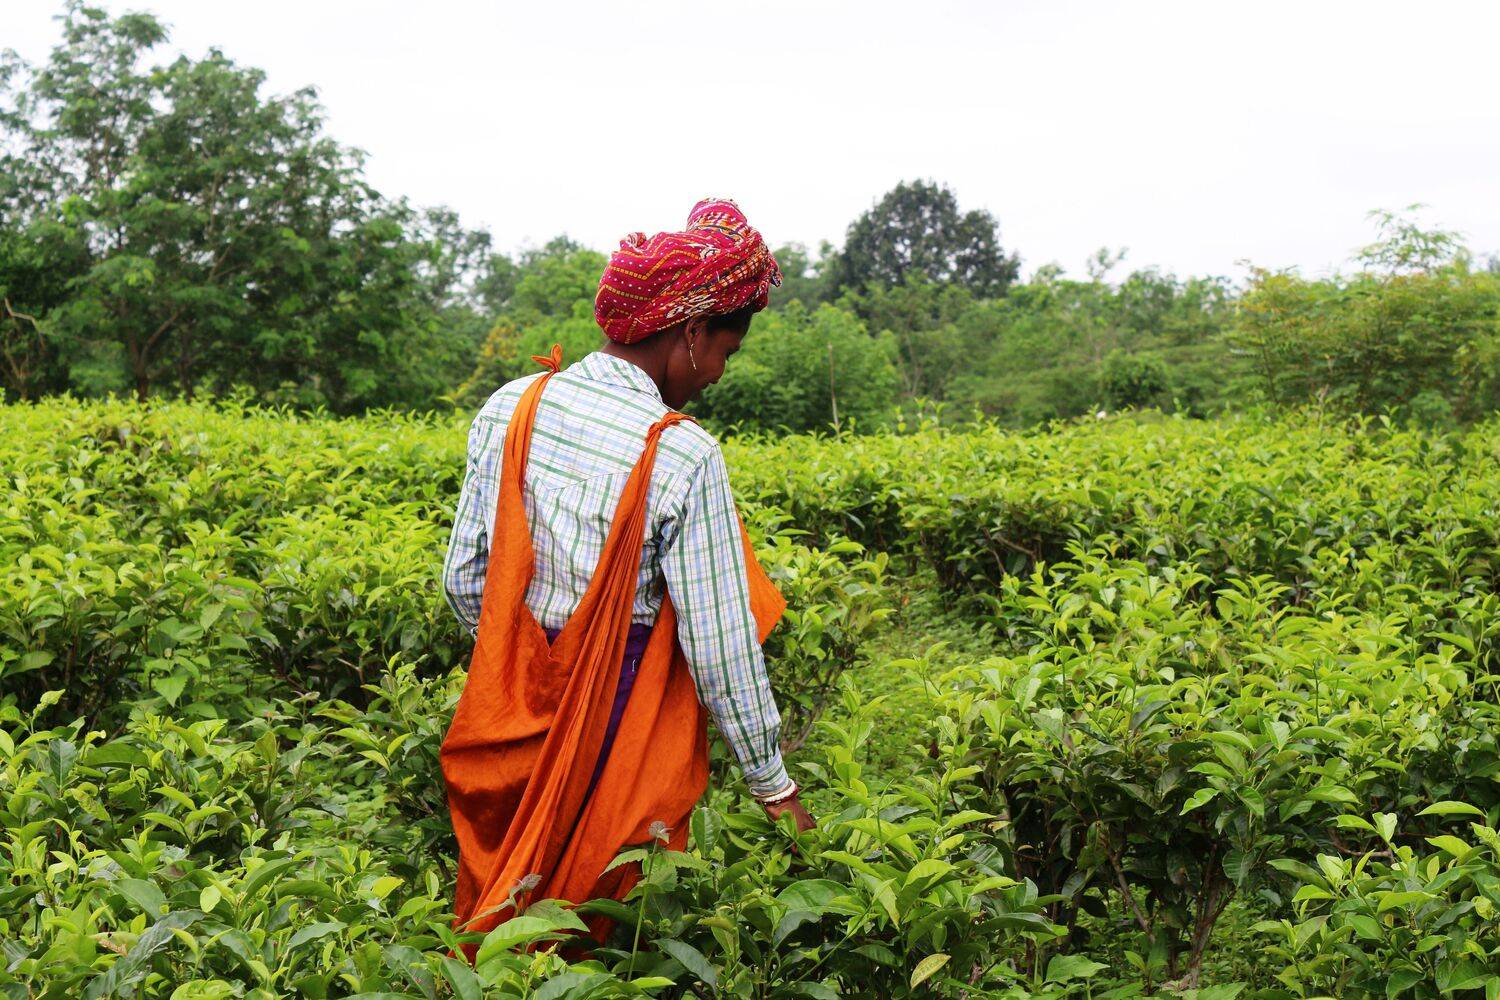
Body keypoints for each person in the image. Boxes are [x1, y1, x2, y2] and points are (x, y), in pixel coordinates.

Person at [438, 198, 814, 956]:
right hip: (621, 720)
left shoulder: (512, 406)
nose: (714, 378)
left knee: (503, 931)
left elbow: (466, 579)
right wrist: (775, 787)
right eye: (725, 354)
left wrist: (526, 671)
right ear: (691, 335)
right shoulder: (682, 452)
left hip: (506, 707)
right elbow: (721, 648)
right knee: (594, 934)